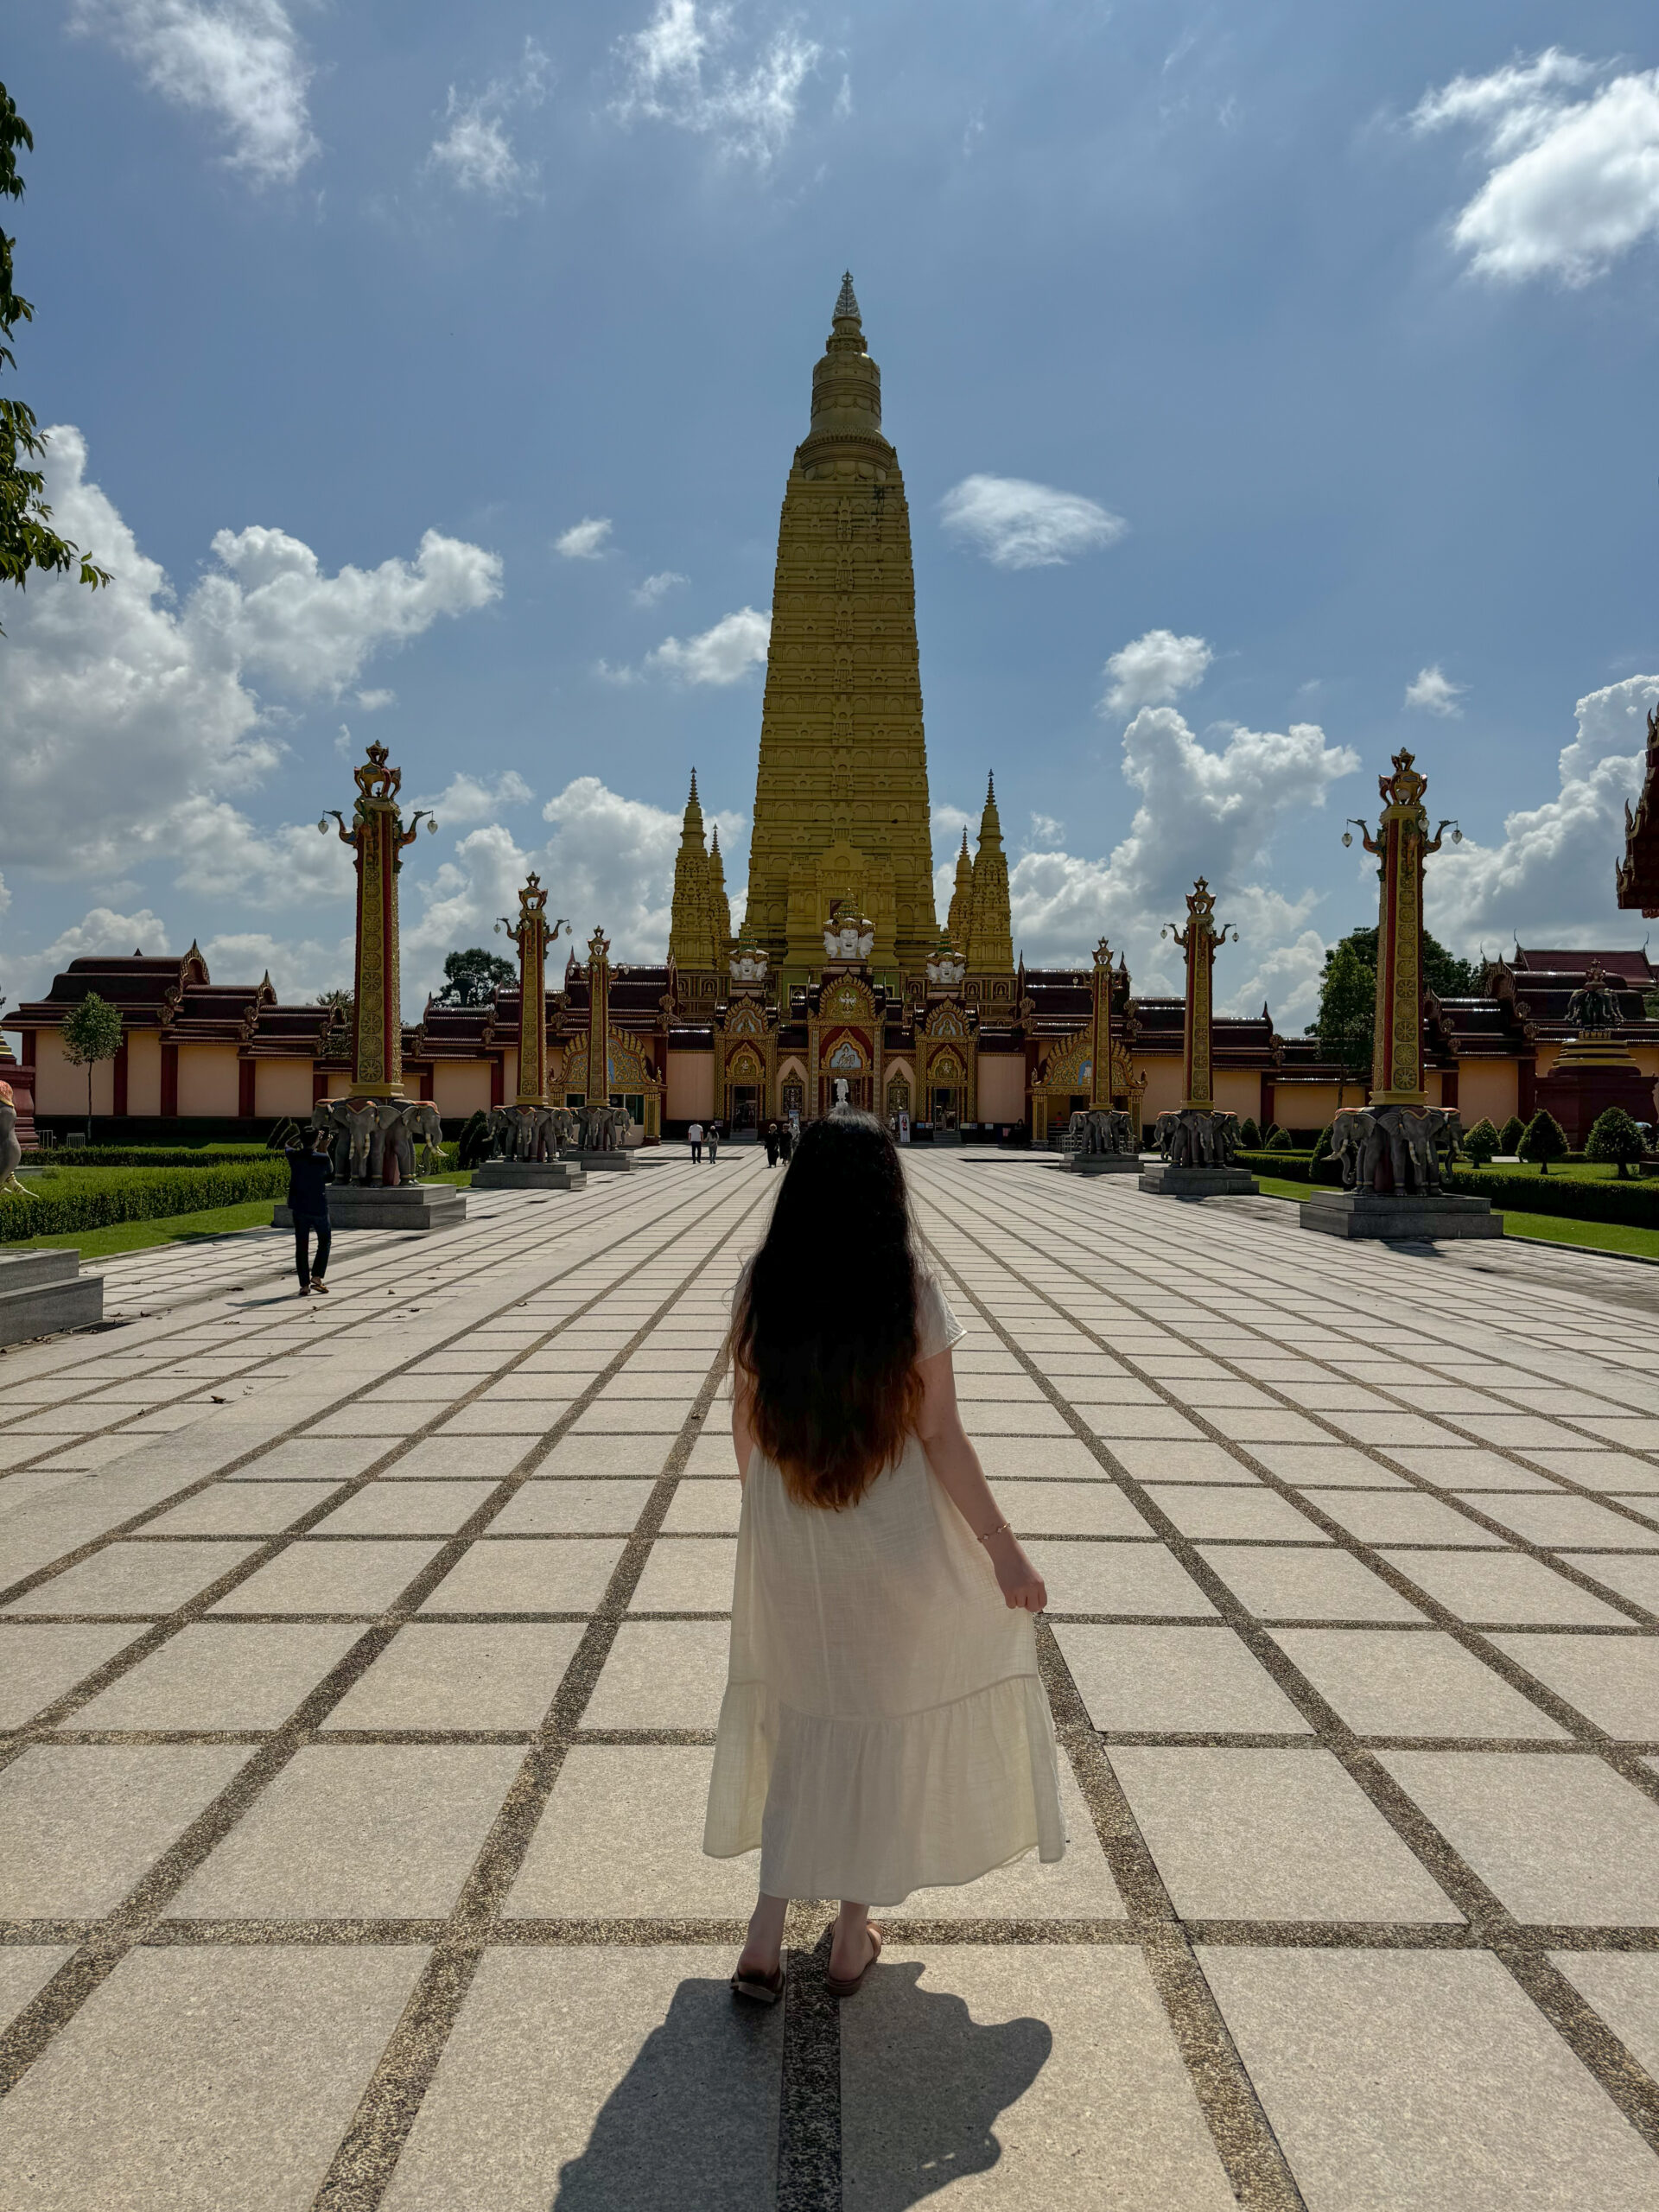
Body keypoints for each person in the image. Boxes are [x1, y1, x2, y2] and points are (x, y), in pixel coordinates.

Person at [706, 1113, 1061, 2005]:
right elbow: (940, 1434)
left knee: (802, 1715)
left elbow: (746, 1425)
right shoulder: (908, 1288)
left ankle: (763, 1933)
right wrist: (1003, 1552)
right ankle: (850, 1933)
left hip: (792, 1524)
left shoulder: (763, 1282)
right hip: (892, 1527)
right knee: (879, 1718)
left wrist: (770, 1519)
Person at [285, 1125, 334, 1297]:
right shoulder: (321, 1158)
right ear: (316, 1140)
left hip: (299, 1206)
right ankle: (317, 1276)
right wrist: (323, 1147)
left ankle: (304, 1285)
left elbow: (288, 1143)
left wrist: (304, 1136)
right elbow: (330, 1174)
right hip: (318, 1206)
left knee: (302, 1246)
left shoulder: (294, 1156)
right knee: (325, 1241)